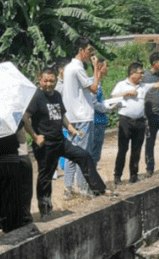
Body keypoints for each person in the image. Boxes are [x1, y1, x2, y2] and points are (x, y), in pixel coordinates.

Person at [23, 66, 110, 219]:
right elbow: (25, 117)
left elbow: (61, 115)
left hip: (60, 141)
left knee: (83, 156)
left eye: (52, 81)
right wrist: (35, 136)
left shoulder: (56, 95)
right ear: (40, 80)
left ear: (56, 80)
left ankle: (98, 189)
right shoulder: (36, 97)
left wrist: (71, 128)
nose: (49, 84)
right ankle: (46, 211)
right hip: (45, 145)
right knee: (45, 177)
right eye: (46, 81)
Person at [62, 38, 105, 197]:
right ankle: (83, 188)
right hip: (83, 115)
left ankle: (68, 188)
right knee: (83, 154)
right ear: (81, 50)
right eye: (89, 50)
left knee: (71, 154)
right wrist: (96, 69)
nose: (91, 54)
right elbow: (93, 88)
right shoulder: (77, 68)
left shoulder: (69, 68)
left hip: (72, 116)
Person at [109, 62, 151, 186]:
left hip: (140, 121)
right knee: (123, 149)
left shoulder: (143, 86)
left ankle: (134, 175)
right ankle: (117, 176)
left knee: (136, 150)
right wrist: (126, 94)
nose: (142, 75)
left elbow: (157, 84)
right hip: (125, 121)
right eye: (140, 72)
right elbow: (112, 98)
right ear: (133, 73)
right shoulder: (122, 85)